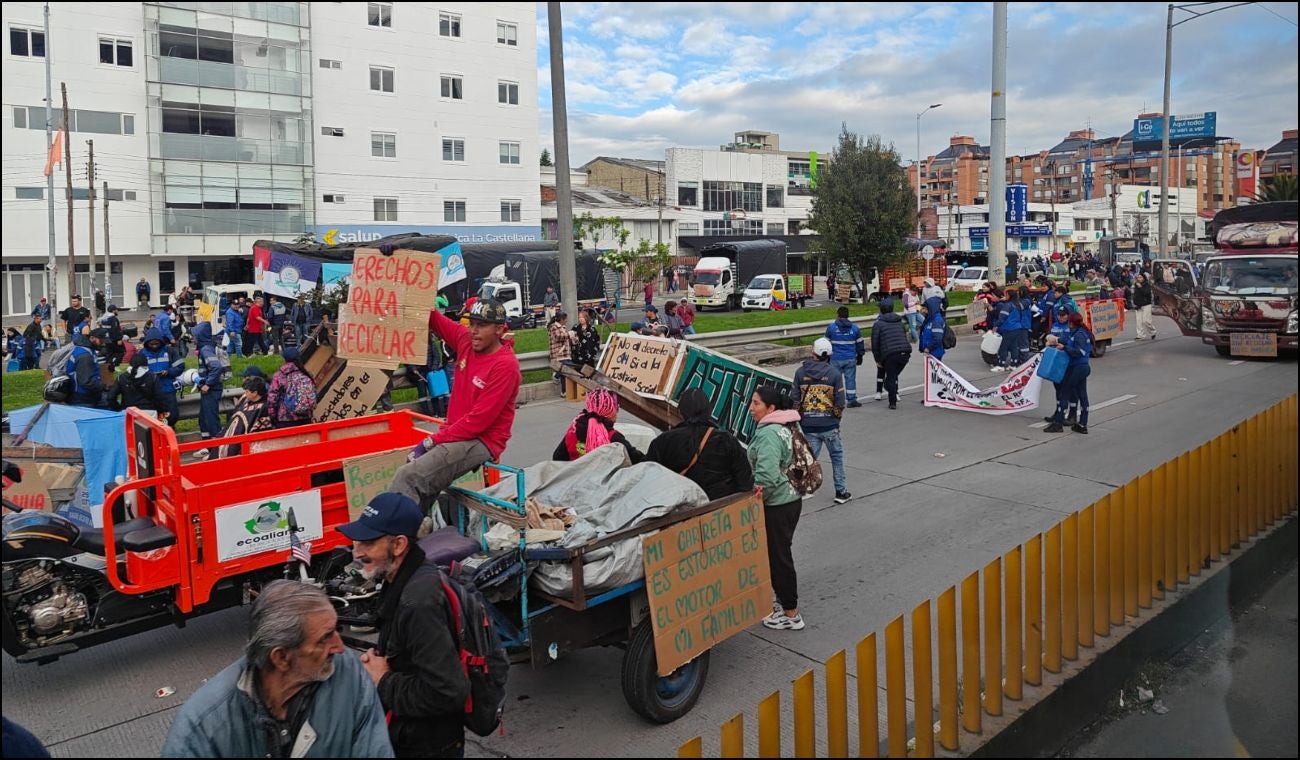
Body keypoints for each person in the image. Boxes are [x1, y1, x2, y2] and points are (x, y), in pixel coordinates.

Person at [161, 580, 393, 758]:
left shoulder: (346, 673)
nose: (340, 647)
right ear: (281, 657)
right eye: (325, 638)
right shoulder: (202, 731)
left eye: (336, 630)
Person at [337, 493, 471, 758]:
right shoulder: (399, 578)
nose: (357, 552)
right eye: (356, 542)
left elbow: (448, 692)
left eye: (367, 543)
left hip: (428, 746)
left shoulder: (418, 603)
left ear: (398, 545)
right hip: (409, 733)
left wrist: (383, 680)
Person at [390, 299, 521, 516]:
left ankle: (391, 541)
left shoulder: (505, 366)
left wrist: (431, 441)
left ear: (499, 329)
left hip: (481, 441)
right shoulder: (465, 341)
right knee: (422, 482)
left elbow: (478, 422)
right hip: (457, 433)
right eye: (472, 324)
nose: (474, 331)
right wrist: (408, 293)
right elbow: (434, 319)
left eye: (482, 325)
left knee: (408, 476)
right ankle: (416, 534)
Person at [748, 386, 805, 631]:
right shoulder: (786, 426)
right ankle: (782, 601)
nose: (751, 408)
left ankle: (791, 613)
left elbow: (767, 476)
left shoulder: (769, 433)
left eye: (757, 403)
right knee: (780, 553)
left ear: (771, 408)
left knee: (779, 556)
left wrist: (757, 498)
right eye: (751, 402)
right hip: (791, 499)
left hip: (777, 503)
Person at [645, 388, 753, 500]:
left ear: (681, 411)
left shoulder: (663, 441)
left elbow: (648, 477)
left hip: (679, 509)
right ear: (709, 411)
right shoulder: (725, 440)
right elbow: (745, 483)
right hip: (720, 510)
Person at [792, 338, 849, 503]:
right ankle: (841, 492)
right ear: (829, 354)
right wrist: (835, 419)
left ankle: (804, 489)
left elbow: (795, 400)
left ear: (813, 353)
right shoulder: (834, 374)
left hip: (808, 425)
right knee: (837, 457)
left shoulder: (800, 373)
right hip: (829, 425)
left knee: (808, 459)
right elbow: (840, 402)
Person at [553, 387, 644, 463]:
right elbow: (640, 461)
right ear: (611, 411)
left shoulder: (573, 430)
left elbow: (557, 458)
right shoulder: (614, 438)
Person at [1044, 312, 1093, 435]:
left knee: (1065, 392)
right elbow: (1065, 339)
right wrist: (1054, 340)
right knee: (1082, 395)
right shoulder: (1076, 332)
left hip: (1078, 367)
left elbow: (1079, 352)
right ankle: (1082, 424)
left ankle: (1058, 423)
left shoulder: (1080, 334)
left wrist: (1064, 348)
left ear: (1071, 323)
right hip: (1078, 367)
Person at [191, 322, 225, 460]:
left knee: (211, 420)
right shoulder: (206, 348)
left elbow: (216, 367)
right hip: (208, 390)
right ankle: (207, 446)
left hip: (211, 390)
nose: (193, 339)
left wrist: (208, 384)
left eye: (195, 336)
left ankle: (217, 450)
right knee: (204, 419)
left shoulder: (205, 350)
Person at [870, 298, 912, 410]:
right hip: (905, 353)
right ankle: (891, 390)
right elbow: (904, 336)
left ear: (882, 310)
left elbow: (875, 343)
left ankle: (892, 402)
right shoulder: (900, 322)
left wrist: (877, 360)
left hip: (890, 355)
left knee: (891, 379)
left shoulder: (878, 324)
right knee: (892, 377)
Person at [219, 376, 273, 458]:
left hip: (246, 445)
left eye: (247, 391)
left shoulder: (263, 408)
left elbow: (259, 432)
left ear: (255, 393)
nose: (245, 393)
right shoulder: (246, 401)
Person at [141, 328, 184, 427]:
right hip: (150, 391)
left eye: (156, 343)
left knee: (172, 415)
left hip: (167, 388)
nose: (154, 346)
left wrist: (168, 372)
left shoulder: (170, 351)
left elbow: (180, 366)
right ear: (147, 343)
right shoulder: (142, 354)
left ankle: (170, 430)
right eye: (152, 344)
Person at [266, 347, 317, 428]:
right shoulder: (306, 374)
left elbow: (272, 399)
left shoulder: (279, 376)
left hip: (285, 419)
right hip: (305, 417)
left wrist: (272, 417)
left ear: (284, 359)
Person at [825, 306, 865, 407]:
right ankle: (851, 400)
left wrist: (826, 358)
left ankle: (834, 400)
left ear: (838, 315)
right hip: (850, 358)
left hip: (835, 359)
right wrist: (860, 356)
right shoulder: (855, 328)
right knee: (850, 379)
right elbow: (860, 343)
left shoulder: (831, 328)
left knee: (834, 380)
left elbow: (826, 343)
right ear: (848, 316)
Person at [992, 287, 1030, 372]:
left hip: (1009, 328)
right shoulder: (1018, 305)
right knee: (1014, 346)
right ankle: (1014, 364)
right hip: (1018, 327)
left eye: (1006, 295)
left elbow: (1002, 318)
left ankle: (1001, 365)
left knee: (1003, 347)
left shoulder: (1007, 305)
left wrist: (996, 326)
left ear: (1009, 295)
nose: (1004, 296)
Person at [547, 310, 572, 386]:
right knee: (564, 368)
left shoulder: (562, 327)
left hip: (564, 353)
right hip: (558, 353)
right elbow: (558, 337)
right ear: (561, 319)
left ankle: (563, 391)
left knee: (565, 373)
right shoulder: (554, 327)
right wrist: (569, 334)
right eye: (565, 319)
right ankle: (556, 376)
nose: (567, 320)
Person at [1132, 272, 1156, 340]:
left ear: (1144, 278)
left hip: (1146, 304)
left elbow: (1146, 293)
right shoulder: (1136, 285)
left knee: (1146, 321)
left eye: (1141, 277)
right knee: (1139, 322)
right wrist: (1134, 302)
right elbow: (1135, 295)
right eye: (1138, 277)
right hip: (1138, 305)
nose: (1139, 279)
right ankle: (1140, 335)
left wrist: (1140, 287)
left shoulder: (1147, 285)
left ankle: (1153, 332)